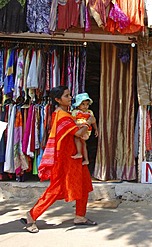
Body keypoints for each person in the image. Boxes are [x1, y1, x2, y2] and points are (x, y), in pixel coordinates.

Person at [20, 86, 97, 233]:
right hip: (65, 159)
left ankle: (80, 216)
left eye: (69, 95)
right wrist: (89, 122)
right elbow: (80, 133)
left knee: (84, 185)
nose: (70, 98)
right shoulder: (63, 116)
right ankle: (32, 215)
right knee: (55, 190)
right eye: (66, 96)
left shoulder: (65, 113)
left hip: (74, 157)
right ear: (57, 99)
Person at [71, 93, 98, 165]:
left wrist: (96, 129)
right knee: (83, 143)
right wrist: (79, 125)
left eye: (87, 104)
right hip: (79, 128)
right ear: (78, 104)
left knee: (77, 139)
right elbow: (73, 122)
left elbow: (93, 121)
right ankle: (86, 159)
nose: (85, 106)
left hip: (86, 130)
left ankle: (80, 153)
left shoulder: (90, 112)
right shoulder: (75, 112)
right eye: (83, 104)